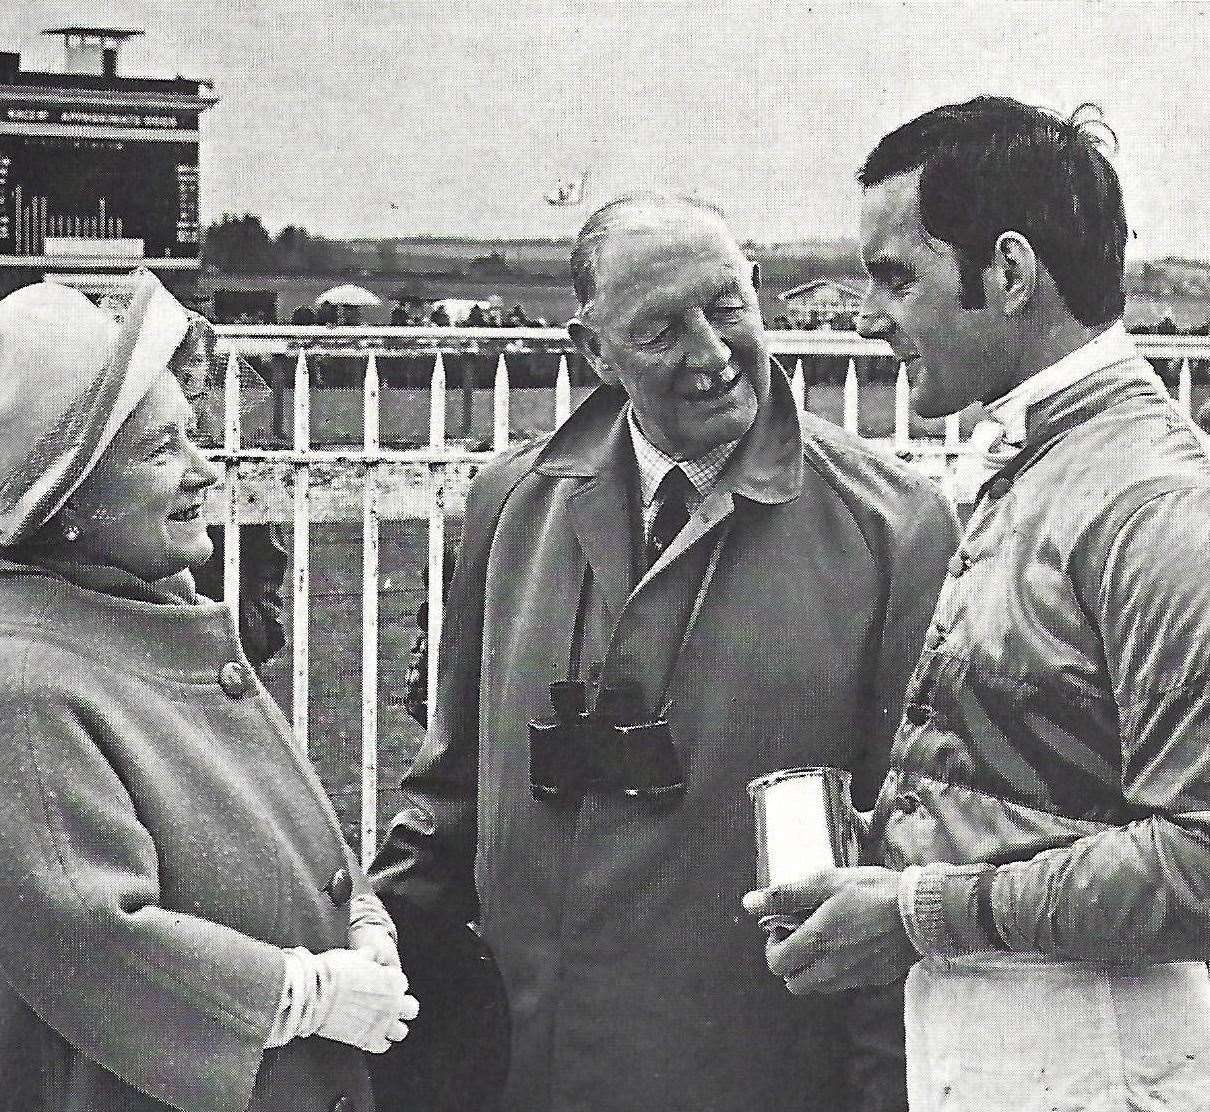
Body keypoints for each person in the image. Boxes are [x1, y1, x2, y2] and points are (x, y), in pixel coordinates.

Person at [371, 193, 958, 1112]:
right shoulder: (510, 507)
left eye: (728, 307)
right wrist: (379, 963)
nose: (712, 354)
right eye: (658, 331)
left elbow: (910, 852)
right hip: (528, 1067)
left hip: (758, 1074)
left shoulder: (894, 529)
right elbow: (449, 793)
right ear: (590, 352)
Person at [745, 97, 1210, 1112]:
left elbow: (1200, 859)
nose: (868, 315)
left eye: (896, 275)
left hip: (1103, 1067)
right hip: (991, 1051)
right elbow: (1041, 783)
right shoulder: (1032, 455)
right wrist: (889, 844)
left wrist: (914, 909)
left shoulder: (1153, 501)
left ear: (1006, 272)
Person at [0, 273, 419, 1112]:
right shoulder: (19, 687)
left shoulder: (154, 620)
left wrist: (361, 919)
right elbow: (87, 935)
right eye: (162, 449)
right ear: (67, 499)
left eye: (191, 435)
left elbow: (291, 825)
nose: (205, 471)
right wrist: (298, 993)